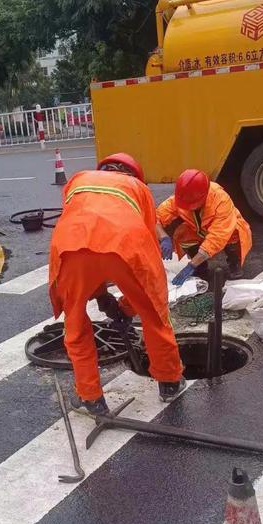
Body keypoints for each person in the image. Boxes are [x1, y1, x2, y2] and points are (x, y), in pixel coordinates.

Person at [49, 152, 185, 414]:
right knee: (154, 315)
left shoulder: (78, 179)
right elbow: (144, 244)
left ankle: (91, 398)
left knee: (76, 325)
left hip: (71, 247)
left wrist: (101, 294)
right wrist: (127, 305)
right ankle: (169, 382)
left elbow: (89, 236)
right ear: (133, 174)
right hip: (126, 245)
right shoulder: (139, 188)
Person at [156, 170, 252, 284]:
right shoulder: (179, 198)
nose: (188, 208)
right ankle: (201, 268)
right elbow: (154, 217)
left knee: (234, 233)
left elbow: (218, 237)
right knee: (183, 234)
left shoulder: (220, 200)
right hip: (200, 230)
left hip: (226, 231)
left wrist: (191, 265)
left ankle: (234, 262)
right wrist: (163, 237)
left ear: (204, 196)